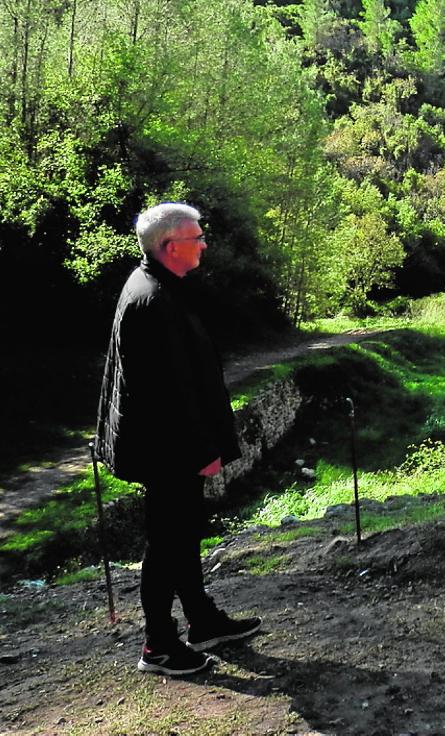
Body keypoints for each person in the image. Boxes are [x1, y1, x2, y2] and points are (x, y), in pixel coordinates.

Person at [95, 202, 262, 677]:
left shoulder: (160, 285)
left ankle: (202, 620)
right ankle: (159, 646)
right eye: (197, 237)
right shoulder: (153, 300)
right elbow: (168, 394)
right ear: (171, 247)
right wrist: (202, 449)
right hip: (167, 449)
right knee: (167, 541)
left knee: (183, 533)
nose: (205, 244)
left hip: (168, 445)